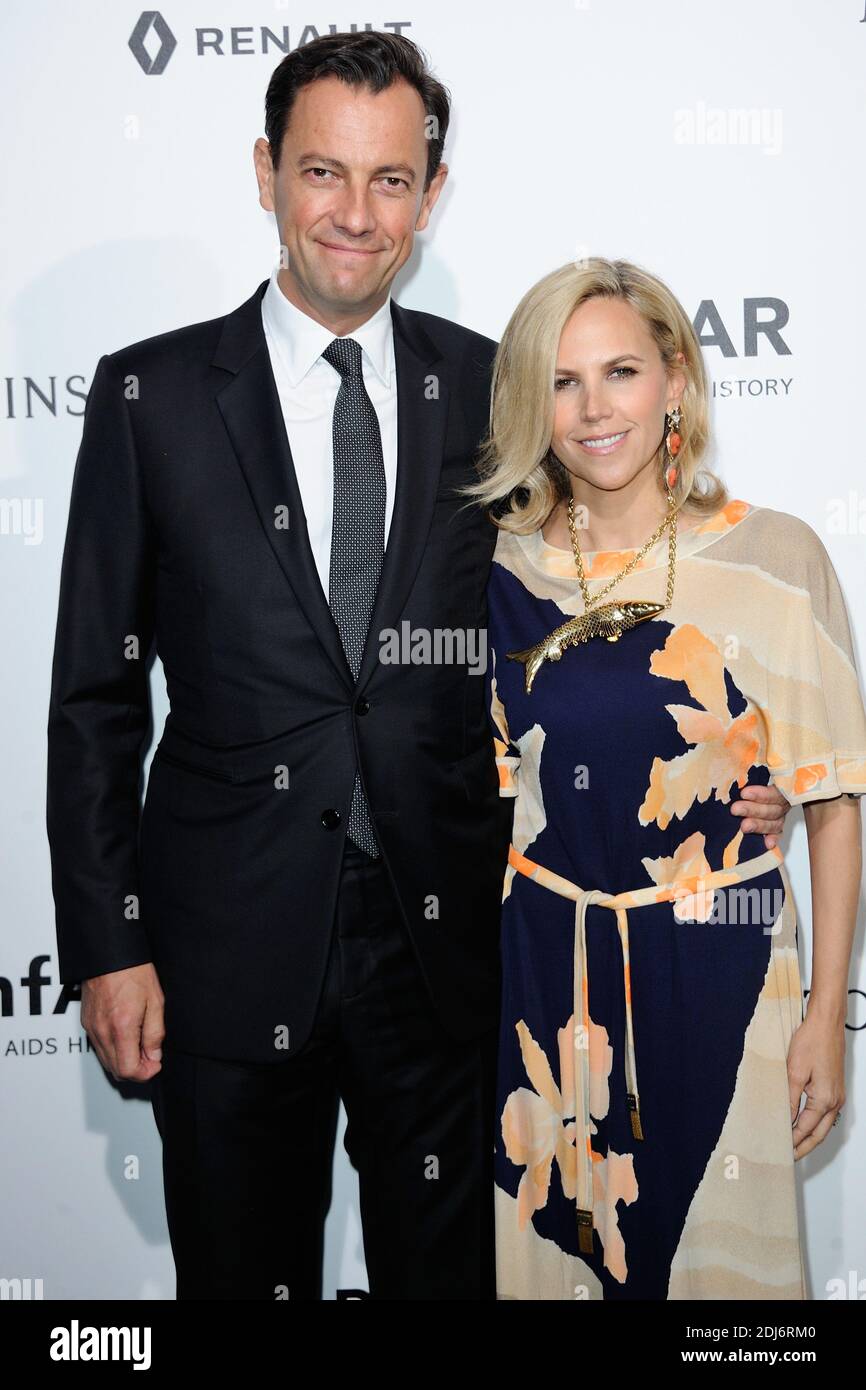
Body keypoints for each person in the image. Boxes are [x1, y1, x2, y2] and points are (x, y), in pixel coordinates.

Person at [44, 33, 790, 1302]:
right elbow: (93, 699)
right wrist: (110, 944)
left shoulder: (492, 388)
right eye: (323, 172)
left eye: (390, 180)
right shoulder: (149, 397)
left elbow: (604, 575)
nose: (354, 212)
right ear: (266, 171)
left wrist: (733, 761)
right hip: (224, 948)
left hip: (445, 956)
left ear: (430, 195)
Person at [468, 256, 866, 1300]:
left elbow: (829, 806)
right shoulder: (496, 571)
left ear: (676, 380)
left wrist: (826, 1018)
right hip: (542, 989)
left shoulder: (776, 560)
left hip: (721, 976)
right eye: (561, 381)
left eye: (621, 372)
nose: (594, 408)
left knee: (717, 1285)